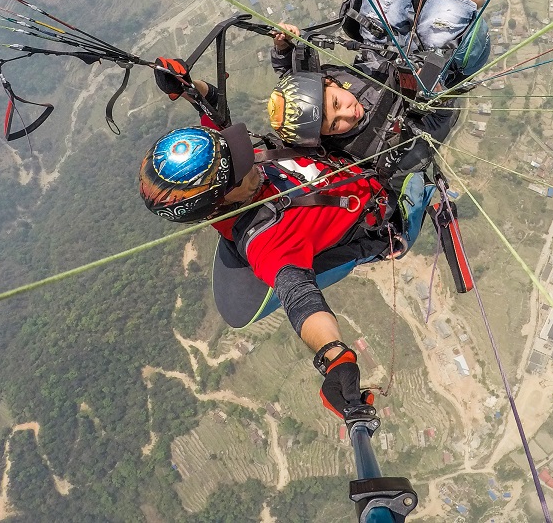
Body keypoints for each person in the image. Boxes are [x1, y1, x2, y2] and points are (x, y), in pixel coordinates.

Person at [141, 74, 432, 420]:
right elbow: (300, 298)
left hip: (348, 162)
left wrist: (189, 86)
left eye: (236, 153)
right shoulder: (267, 241)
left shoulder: (225, 168)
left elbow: (214, 108)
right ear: (219, 203)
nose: (249, 159)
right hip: (391, 205)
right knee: (433, 125)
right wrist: (335, 356)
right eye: (240, 170)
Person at [266, 0, 509, 170]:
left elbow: (289, 72)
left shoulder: (315, 87)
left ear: (329, 83)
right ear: (325, 137)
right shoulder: (372, 148)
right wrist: (437, 96)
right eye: (335, 125)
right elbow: (437, 126)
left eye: (337, 103)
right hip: (427, 66)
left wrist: (284, 45)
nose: (348, 114)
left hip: (379, 50)